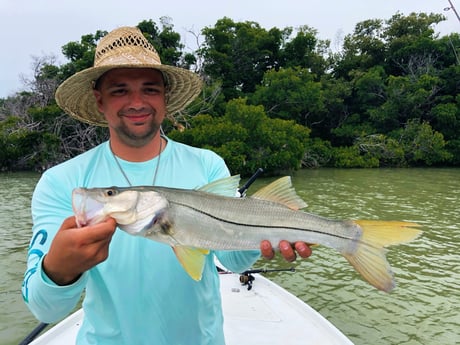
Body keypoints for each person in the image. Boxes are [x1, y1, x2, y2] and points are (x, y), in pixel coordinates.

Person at [22, 26, 312, 344]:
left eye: (150, 89)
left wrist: (261, 236)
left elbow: (231, 260)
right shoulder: (61, 182)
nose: (137, 102)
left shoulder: (207, 165)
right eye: (119, 90)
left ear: (164, 97)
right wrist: (60, 270)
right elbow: (44, 310)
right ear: (99, 99)